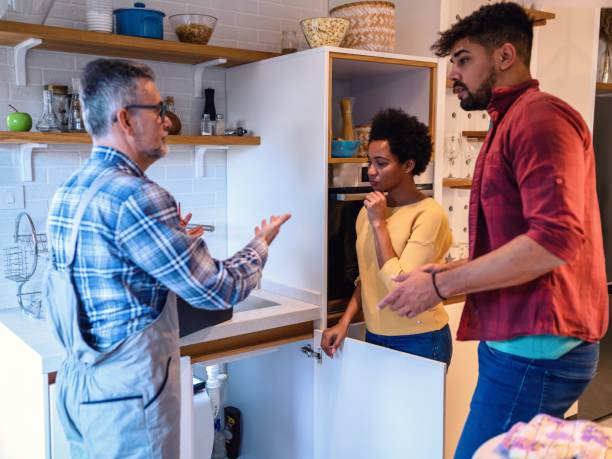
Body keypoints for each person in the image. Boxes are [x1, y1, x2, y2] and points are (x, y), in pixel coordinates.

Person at [376, 3, 609, 458]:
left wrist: (440, 284)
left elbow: (554, 240)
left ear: (505, 55)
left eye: (463, 60)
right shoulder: (511, 119)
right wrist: (439, 274)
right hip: (526, 346)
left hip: (538, 350)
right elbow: (519, 244)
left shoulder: (539, 118)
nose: (453, 75)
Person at [44, 58, 290, 458]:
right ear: (125, 119)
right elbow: (218, 288)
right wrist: (261, 243)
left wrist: (172, 242)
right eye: (158, 110)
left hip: (81, 389)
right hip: (129, 401)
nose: (168, 121)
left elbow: (111, 280)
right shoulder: (140, 196)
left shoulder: (69, 191)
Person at [321, 108, 453, 366]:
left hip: (421, 338)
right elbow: (367, 278)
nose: (371, 171)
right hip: (377, 336)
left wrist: (379, 224)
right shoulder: (369, 211)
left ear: (408, 164)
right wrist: (344, 322)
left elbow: (400, 286)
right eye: (369, 162)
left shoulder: (429, 215)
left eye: (381, 163)